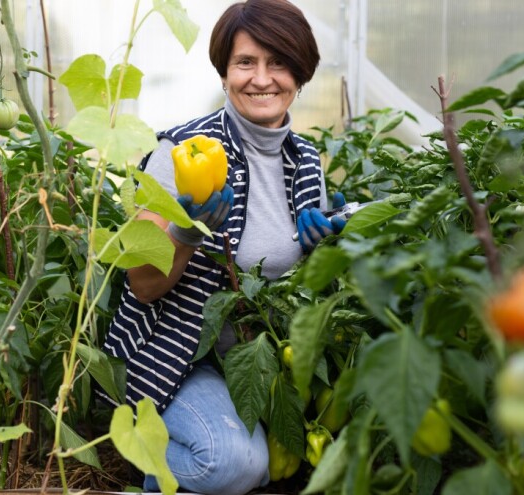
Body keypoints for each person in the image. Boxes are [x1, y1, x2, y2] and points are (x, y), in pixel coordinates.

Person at [100, 1, 345, 493]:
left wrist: (325, 247)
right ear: (225, 71)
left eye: (278, 62)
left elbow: (292, 279)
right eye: (246, 63)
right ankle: (146, 461)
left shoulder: (305, 163)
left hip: (259, 362)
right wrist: (187, 234)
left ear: (300, 72)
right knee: (234, 463)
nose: (262, 79)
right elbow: (143, 285)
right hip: (178, 356)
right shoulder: (182, 151)